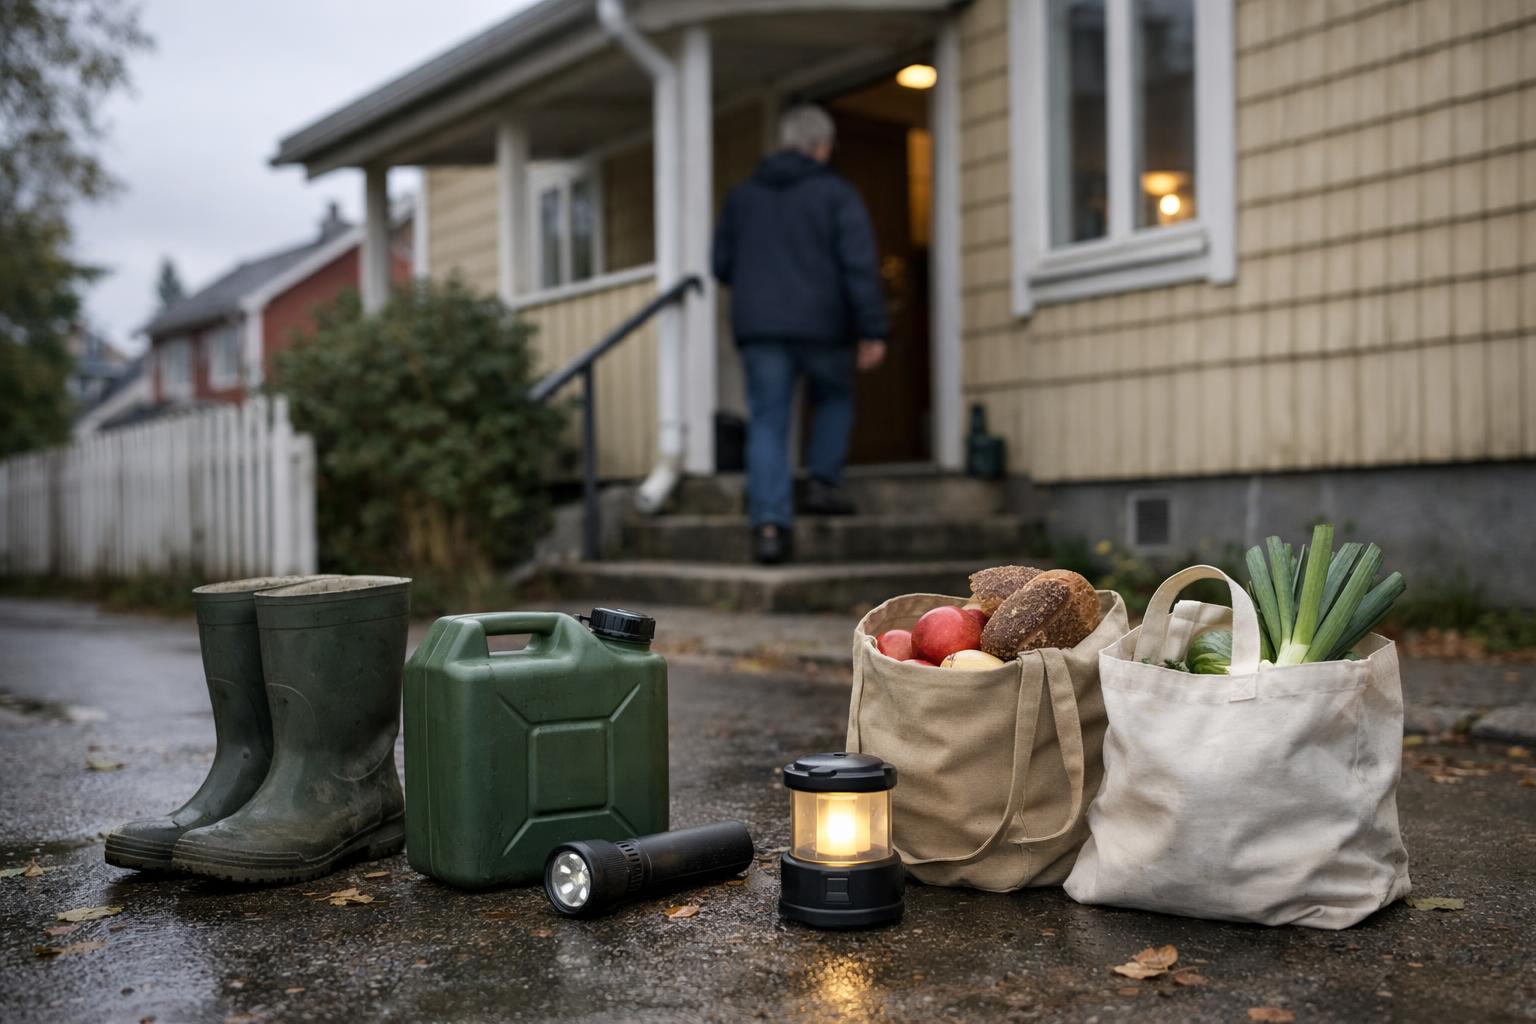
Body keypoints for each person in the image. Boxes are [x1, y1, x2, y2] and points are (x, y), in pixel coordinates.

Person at [712, 103, 890, 565]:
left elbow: (720, 264)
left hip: (761, 328)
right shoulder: (837, 194)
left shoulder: (742, 196)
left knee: (768, 421)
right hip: (825, 325)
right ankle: (823, 485)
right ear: (821, 147)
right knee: (833, 397)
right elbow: (859, 266)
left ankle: (770, 529)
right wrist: (872, 328)